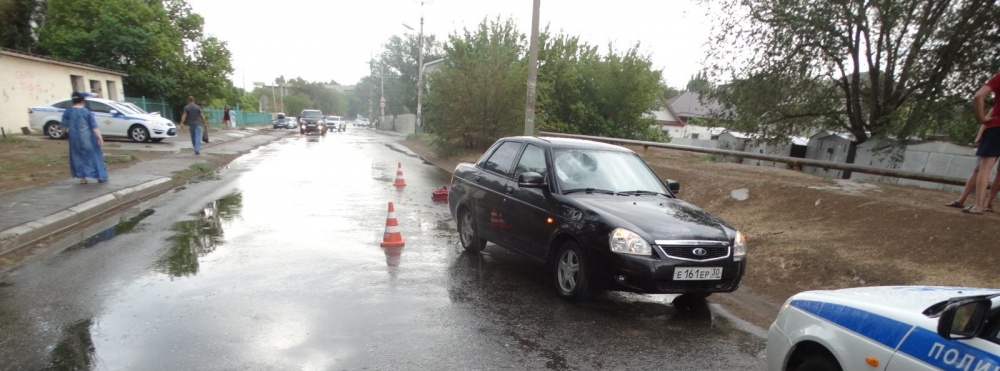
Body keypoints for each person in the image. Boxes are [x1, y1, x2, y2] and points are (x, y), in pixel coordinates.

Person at [963, 73, 1000, 214]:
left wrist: (982, 118)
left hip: (996, 126)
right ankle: (988, 202)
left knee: (985, 168)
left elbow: (978, 96)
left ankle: (979, 206)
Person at [61, 92, 108, 184]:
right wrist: (100, 138)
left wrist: (63, 134)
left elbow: (64, 126)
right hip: (88, 138)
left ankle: (83, 178)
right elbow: (94, 127)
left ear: (73, 101)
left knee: (77, 157)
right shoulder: (87, 112)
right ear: (82, 101)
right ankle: (100, 176)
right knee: (94, 156)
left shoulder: (68, 112)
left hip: (74, 139)